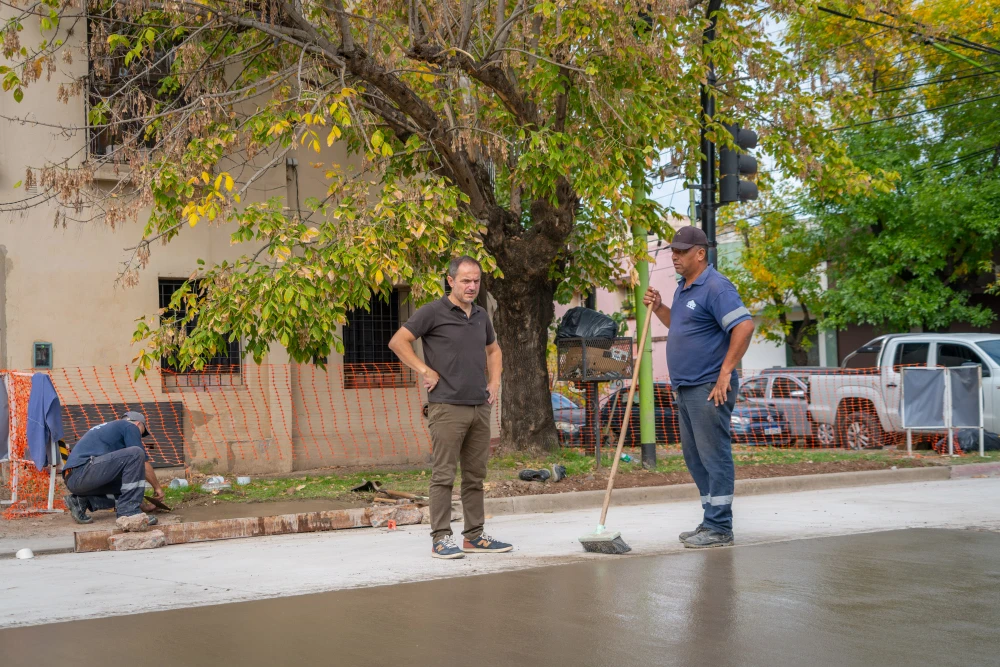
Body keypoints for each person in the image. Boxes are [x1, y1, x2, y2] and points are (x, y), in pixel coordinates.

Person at [388, 256, 511, 559]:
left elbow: (494, 350)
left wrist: (495, 382)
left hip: (479, 406)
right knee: (443, 476)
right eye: (466, 280)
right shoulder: (432, 311)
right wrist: (424, 370)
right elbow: (398, 342)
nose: (472, 286)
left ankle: (475, 536)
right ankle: (441, 538)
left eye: (476, 281)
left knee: (475, 476)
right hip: (446, 406)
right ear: (451, 280)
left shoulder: (481, 315)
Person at [644, 226, 754, 548]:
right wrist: (660, 306)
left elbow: (744, 326)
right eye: (673, 251)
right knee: (695, 458)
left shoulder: (716, 287)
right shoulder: (684, 288)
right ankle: (710, 520)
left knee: (713, 455)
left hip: (708, 386)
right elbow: (678, 325)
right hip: (686, 387)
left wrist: (725, 373)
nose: (674, 257)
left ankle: (720, 527)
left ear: (700, 253)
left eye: (681, 252)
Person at [62, 411, 165, 525]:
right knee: (136, 453)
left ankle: (81, 501)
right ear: (138, 424)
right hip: (82, 472)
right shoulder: (129, 426)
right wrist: (158, 488)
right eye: (141, 432)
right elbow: (143, 463)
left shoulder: (111, 433)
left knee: (125, 482)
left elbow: (129, 484)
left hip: (74, 478)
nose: (139, 437)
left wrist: (143, 506)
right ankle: (129, 513)